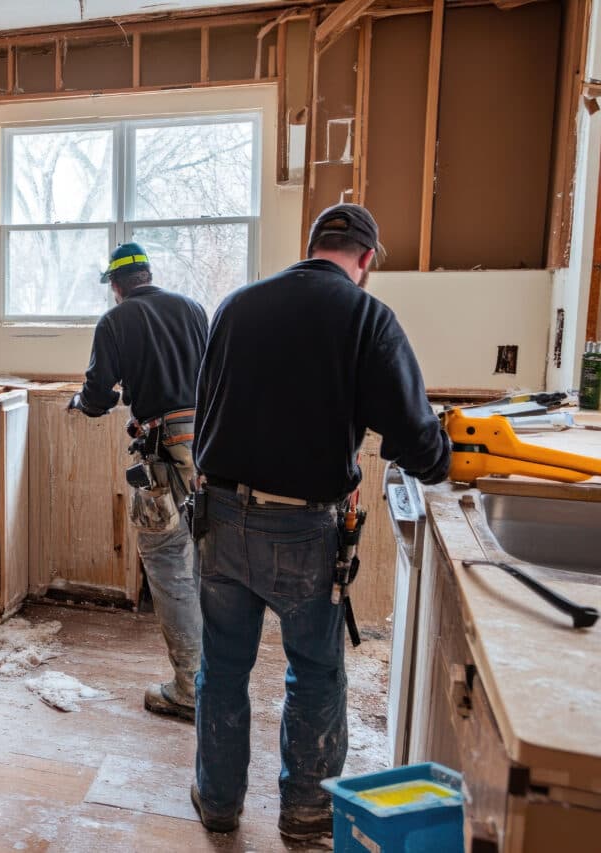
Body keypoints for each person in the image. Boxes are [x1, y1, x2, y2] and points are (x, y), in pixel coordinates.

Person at [188, 204, 450, 840]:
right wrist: (442, 453)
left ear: (310, 247)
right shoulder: (366, 316)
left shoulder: (236, 305)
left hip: (219, 514)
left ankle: (219, 804)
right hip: (303, 530)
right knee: (314, 669)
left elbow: (204, 409)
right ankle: (304, 814)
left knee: (222, 668)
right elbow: (419, 442)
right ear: (366, 261)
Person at [68, 242, 209, 721]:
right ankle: (215, 680)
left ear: (116, 285)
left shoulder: (116, 321)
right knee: (204, 562)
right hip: (210, 448)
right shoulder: (192, 309)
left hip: (164, 448)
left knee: (168, 562)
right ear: (149, 273)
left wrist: (82, 404)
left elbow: (97, 394)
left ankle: (191, 688)